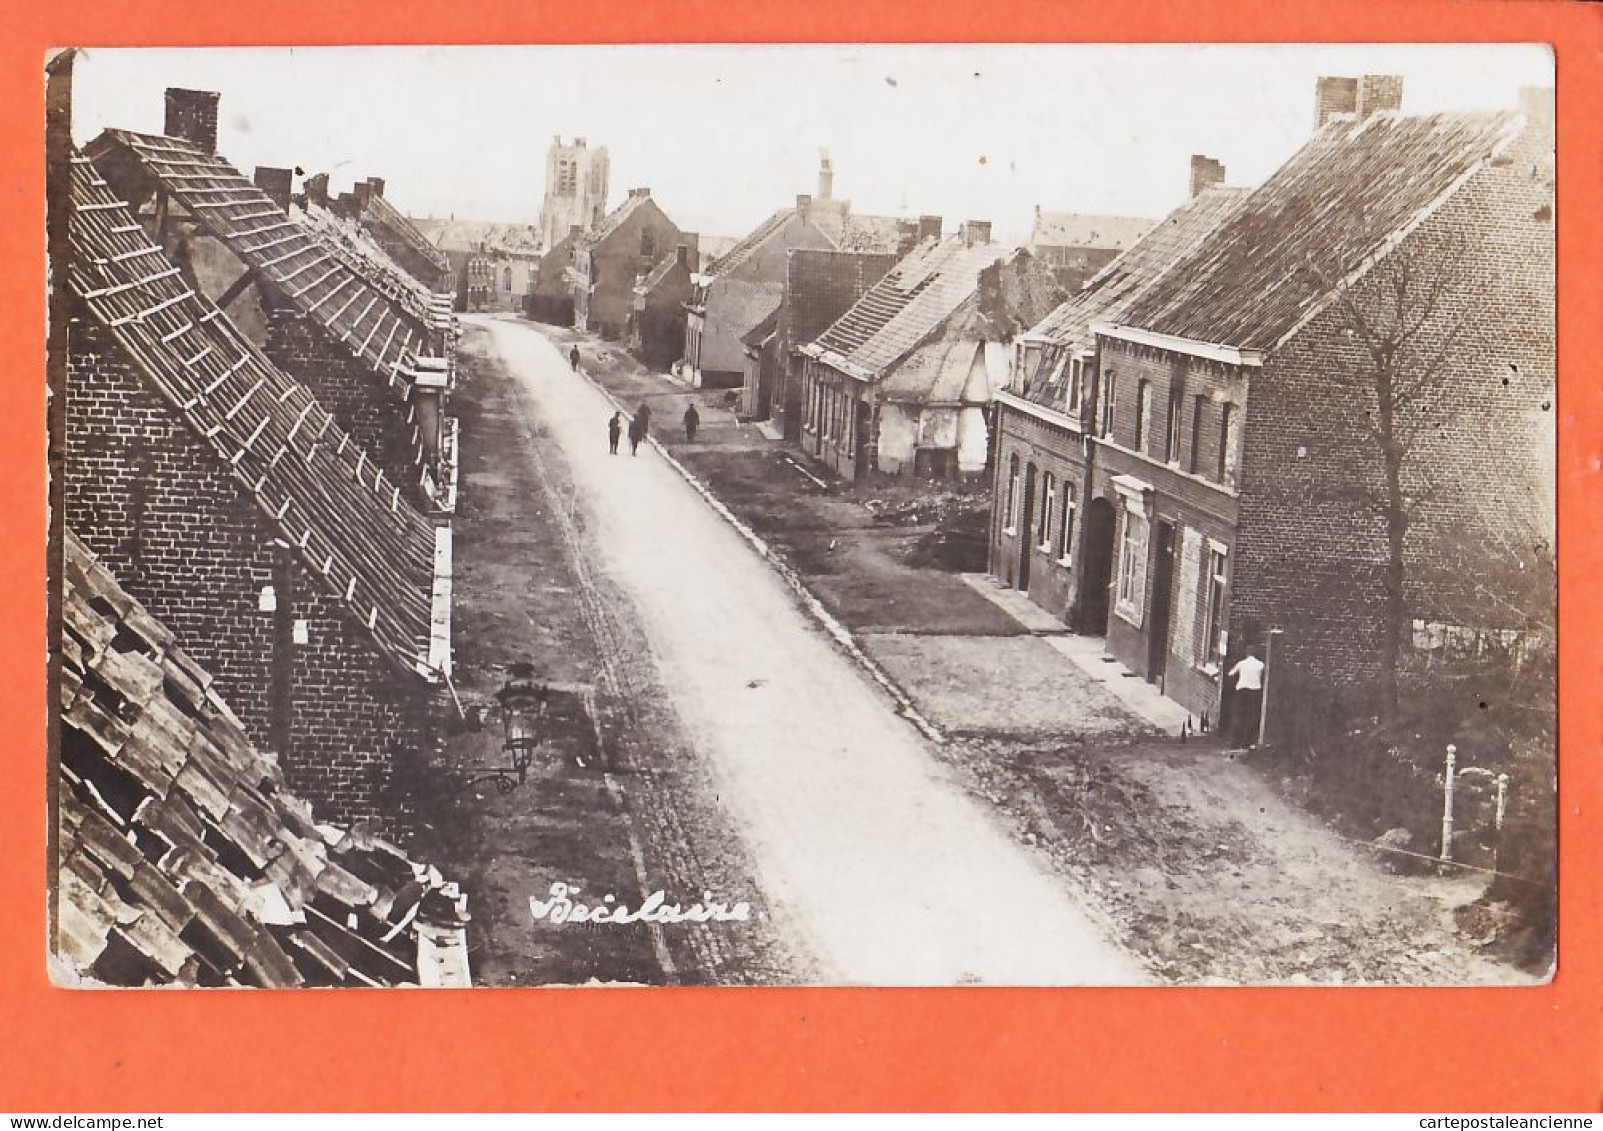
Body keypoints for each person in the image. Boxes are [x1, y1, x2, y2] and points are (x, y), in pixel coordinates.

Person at [1227, 646, 1266, 749]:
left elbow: (1230, 674)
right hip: (1255, 692)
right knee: (1251, 717)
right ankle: (1247, 742)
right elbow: (1262, 676)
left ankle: (1235, 743)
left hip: (1242, 691)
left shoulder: (1241, 663)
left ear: (1246, 653)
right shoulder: (1261, 665)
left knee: (1239, 716)